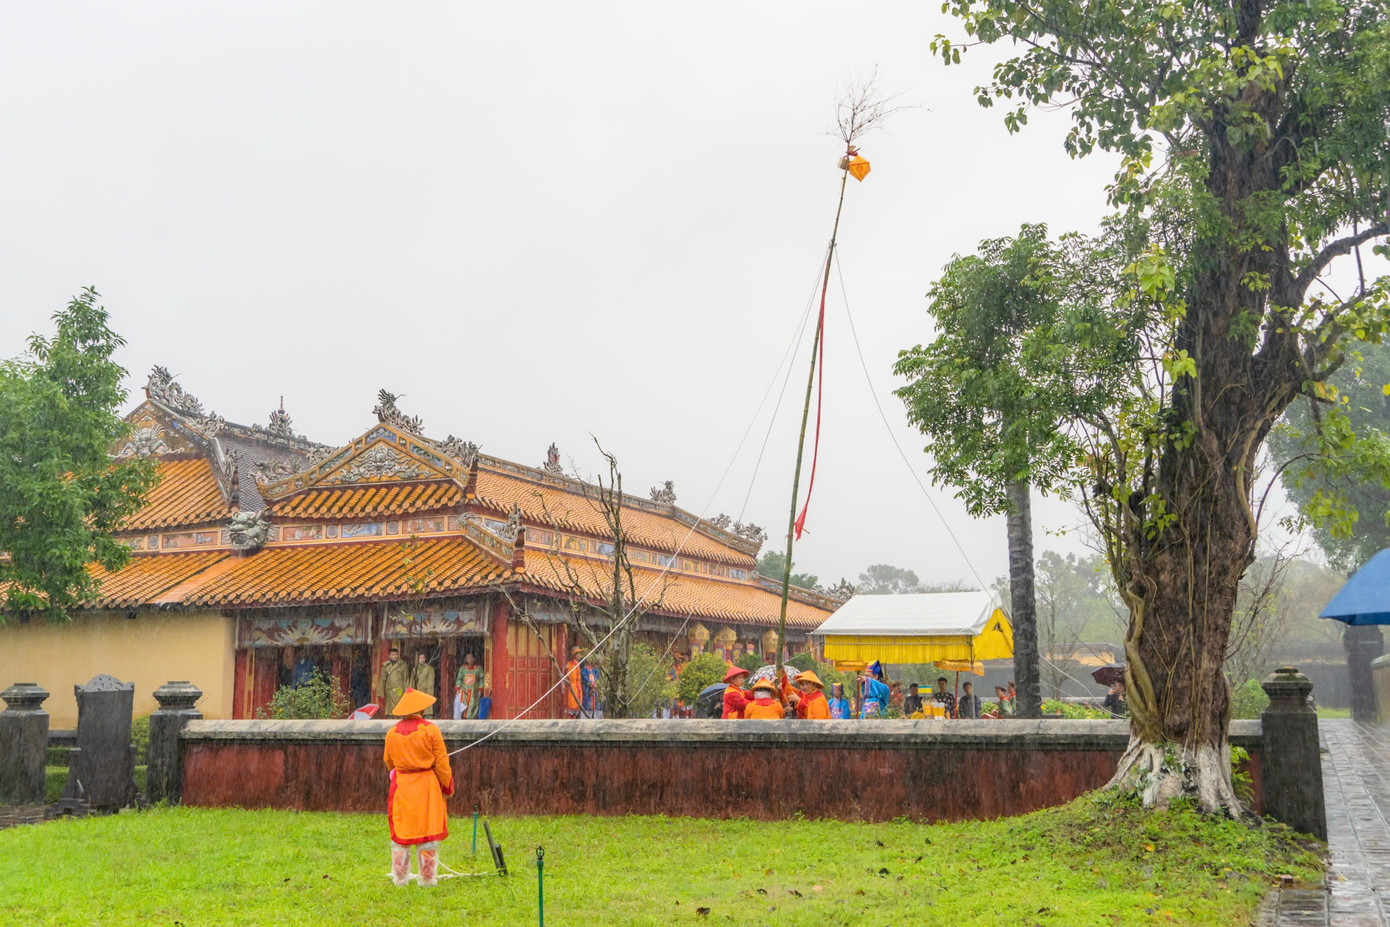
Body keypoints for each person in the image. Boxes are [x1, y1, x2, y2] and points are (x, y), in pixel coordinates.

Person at [383, 687, 454, 887]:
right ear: (422, 710)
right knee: (427, 831)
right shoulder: (431, 730)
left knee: (402, 833)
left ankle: (400, 879)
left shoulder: (392, 733)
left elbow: (388, 762)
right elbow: (442, 763)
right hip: (427, 786)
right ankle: (427, 880)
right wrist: (447, 786)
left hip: (402, 786)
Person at [379, 646, 410, 715]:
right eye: (393, 655)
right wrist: (382, 692)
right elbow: (383, 680)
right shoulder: (385, 666)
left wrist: (406, 690)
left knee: (399, 709)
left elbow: (406, 679)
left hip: (399, 690)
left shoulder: (403, 665)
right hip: (389, 690)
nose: (395, 656)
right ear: (389, 656)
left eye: (396, 654)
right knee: (390, 711)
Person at [454, 652, 482, 720]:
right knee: (458, 702)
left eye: (471, 657)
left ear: (474, 658)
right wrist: (457, 689)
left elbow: (481, 679)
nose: (469, 659)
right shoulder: (462, 668)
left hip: (473, 691)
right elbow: (459, 679)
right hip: (464, 690)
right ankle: (458, 720)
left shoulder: (478, 668)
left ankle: (470, 720)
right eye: (467, 657)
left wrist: (480, 690)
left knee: (472, 705)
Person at [411, 653, 436, 717]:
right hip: (417, 694)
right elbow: (412, 682)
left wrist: (429, 695)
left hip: (426, 694)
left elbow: (430, 683)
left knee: (427, 713)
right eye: (420, 658)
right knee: (417, 714)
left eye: (423, 658)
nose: (422, 659)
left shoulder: (429, 669)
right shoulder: (414, 669)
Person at [563, 647, 584, 718]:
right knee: (572, 704)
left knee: (577, 705)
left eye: (579, 654)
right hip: (572, 686)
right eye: (577, 654)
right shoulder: (570, 664)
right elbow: (570, 677)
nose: (579, 655)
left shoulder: (577, 664)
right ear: (574, 655)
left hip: (577, 687)